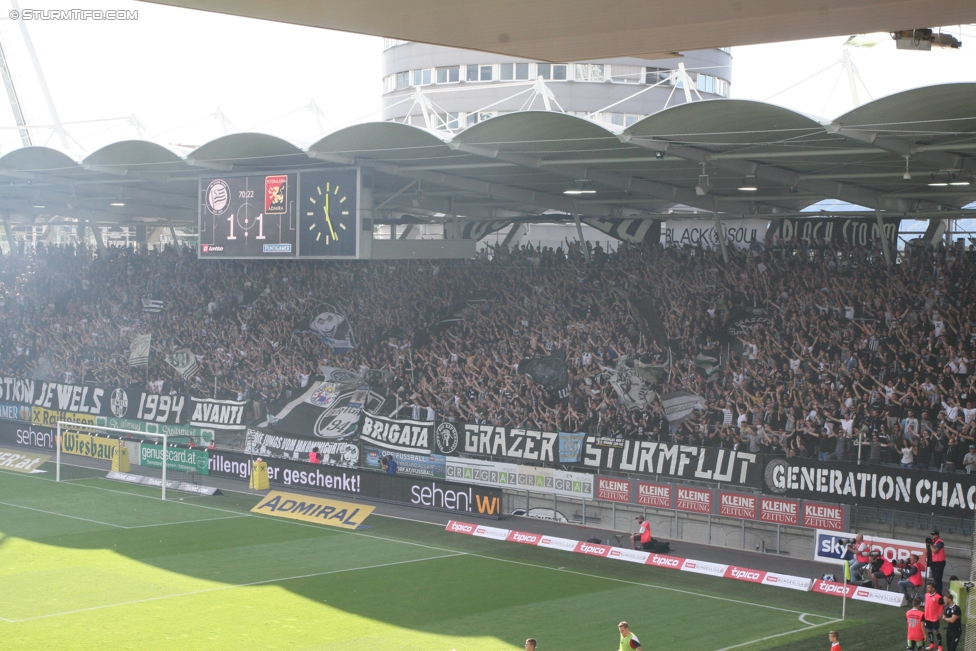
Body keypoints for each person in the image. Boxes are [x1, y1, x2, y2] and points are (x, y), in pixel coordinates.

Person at [924, 582, 944, 651]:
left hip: (935, 617)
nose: (927, 588)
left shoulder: (938, 597)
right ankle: (932, 644)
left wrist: (941, 614)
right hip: (927, 616)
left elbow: (942, 606)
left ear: (933, 588)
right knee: (929, 630)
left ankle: (940, 646)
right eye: (927, 587)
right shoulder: (926, 595)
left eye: (929, 587)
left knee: (936, 631)